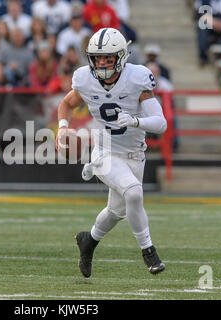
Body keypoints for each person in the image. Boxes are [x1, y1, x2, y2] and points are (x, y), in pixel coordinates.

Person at [56, 28, 167, 277]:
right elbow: (66, 104)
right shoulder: (85, 79)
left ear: (121, 56)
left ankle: (89, 241)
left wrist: (136, 122)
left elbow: (160, 123)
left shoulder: (137, 78)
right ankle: (149, 252)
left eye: (108, 58)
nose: (102, 63)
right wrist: (63, 128)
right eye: (98, 58)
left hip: (135, 154)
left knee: (117, 211)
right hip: (105, 153)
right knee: (134, 193)